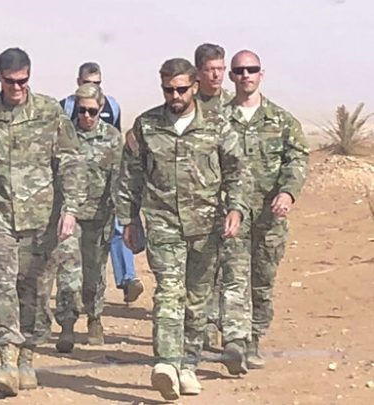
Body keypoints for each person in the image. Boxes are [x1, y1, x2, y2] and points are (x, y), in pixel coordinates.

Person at [116, 58, 250, 400]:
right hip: (164, 224)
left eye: (180, 89)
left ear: (195, 87)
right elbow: (130, 176)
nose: (174, 96)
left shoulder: (218, 125)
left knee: (197, 299)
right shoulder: (147, 125)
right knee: (169, 291)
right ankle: (166, 363)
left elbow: (237, 172)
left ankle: (188, 365)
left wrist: (236, 208)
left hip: (207, 227)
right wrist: (129, 219)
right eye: (167, 90)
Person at [0, 48, 83, 396]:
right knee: (1, 283)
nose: (17, 87)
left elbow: (70, 161)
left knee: (35, 289)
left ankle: (27, 355)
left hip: (41, 216)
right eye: (10, 81)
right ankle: (6, 361)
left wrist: (71, 208)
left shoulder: (49, 111)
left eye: (23, 81)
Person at [225, 50, 309, 370]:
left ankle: (254, 338)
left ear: (261, 74)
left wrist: (288, 192)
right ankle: (236, 341)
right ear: (231, 76)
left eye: (252, 69)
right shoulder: (218, 119)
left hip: (268, 216)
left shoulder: (282, 121)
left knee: (261, 282)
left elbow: (297, 160)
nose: (245, 75)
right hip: (231, 216)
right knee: (233, 279)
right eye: (239, 70)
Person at [58, 62, 140, 302]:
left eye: (97, 84)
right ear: (78, 82)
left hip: (102, 200)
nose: (87, 115)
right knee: (69, 267)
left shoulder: (112, 107)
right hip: (71, 206)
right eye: (87, 83)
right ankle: (68, 314)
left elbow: (116, 158)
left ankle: (127, 280)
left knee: (102, 256)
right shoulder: (64, 108)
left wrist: (123, 208)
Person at [51, 83, 123, 353]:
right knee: (68, 271)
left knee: (93, 273)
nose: (86, 116)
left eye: (92, 111)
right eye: (82, 110)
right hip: (69, 216)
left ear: (101, 108)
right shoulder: (66, 136)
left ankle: (94, 317)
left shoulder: (112, 138)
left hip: (100, 216)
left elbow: (118, 177)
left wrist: (121, 213)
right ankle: (67, 325)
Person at [194, 43, 235, 348]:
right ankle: (205, 324)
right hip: (197, 201)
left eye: (220, 68)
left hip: (230, 199)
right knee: (202, 266)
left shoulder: (234, 107)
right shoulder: (187, 105)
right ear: (198, 71)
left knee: (228, 264)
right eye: (210, 69)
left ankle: (223, 323)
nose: (216, 75)